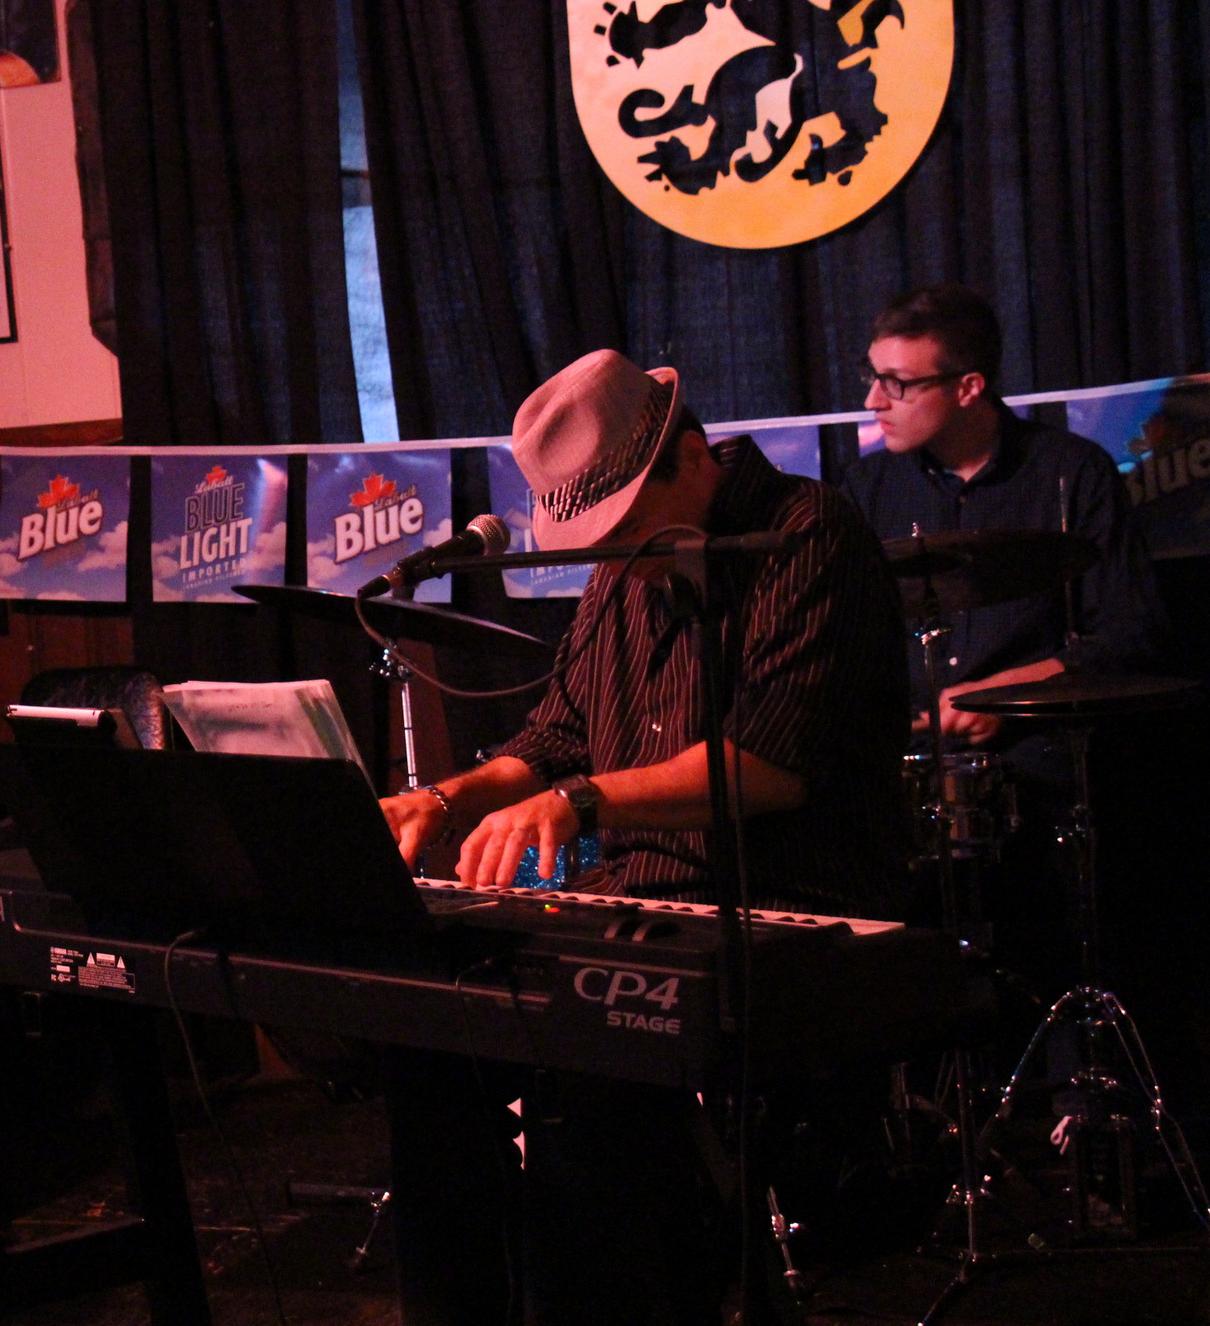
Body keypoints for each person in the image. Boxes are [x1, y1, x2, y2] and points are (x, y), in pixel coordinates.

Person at [376, 348, 911, 1326]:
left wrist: (581, 805)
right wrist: (444, 801)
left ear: (689, 455)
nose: (612, 555)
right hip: (644, 905)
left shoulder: (805, 534)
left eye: (621, 528)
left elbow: (767, 763)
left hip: (790, 909)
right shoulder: (629, 562)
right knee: (429, 1063)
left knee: (590, 1096)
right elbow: (555, 734)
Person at [842, 283, 1164, 754]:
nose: (873, 401)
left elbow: (1132, 635)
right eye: (871, 377)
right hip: (904, 764)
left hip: (1034, 755)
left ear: (968, 387)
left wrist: (1001, 695)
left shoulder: (1071, 473)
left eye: (897, 384)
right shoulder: (865, 487)